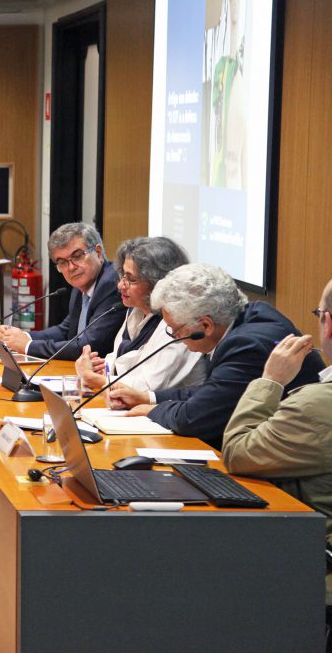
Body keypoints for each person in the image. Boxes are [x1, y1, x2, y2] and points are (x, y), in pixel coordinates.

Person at [107, 263, 326, 449]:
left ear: (205, 325)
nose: (174, 336)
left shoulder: (246, 346)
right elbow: (214, 390)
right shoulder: (248, 316)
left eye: (176, 329)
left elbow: (194, 419)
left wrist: (153, 410)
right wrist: (148, 397)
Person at [222, 278, 332, 603]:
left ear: (328, 324)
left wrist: (270, 380)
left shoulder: (318, 404)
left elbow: (239, 452)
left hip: (311, 569)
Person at [74, 236, 205, 394]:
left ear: (158, 283)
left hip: (171, 412)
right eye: (122, 276)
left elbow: (147, 386)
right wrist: (99, 367)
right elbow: (116, 359)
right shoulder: (136, 310)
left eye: (131, 279)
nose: (120, 285)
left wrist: (92, 377)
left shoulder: (177, 324)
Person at [0, 222, 125, 361]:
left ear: (98, 252)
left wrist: (28, 346)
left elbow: (87, 346)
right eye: (62, 262)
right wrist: (21, 336)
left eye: (77, 256)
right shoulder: (81, 286)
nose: (71, 267)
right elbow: (66, 330)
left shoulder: (112, 284)